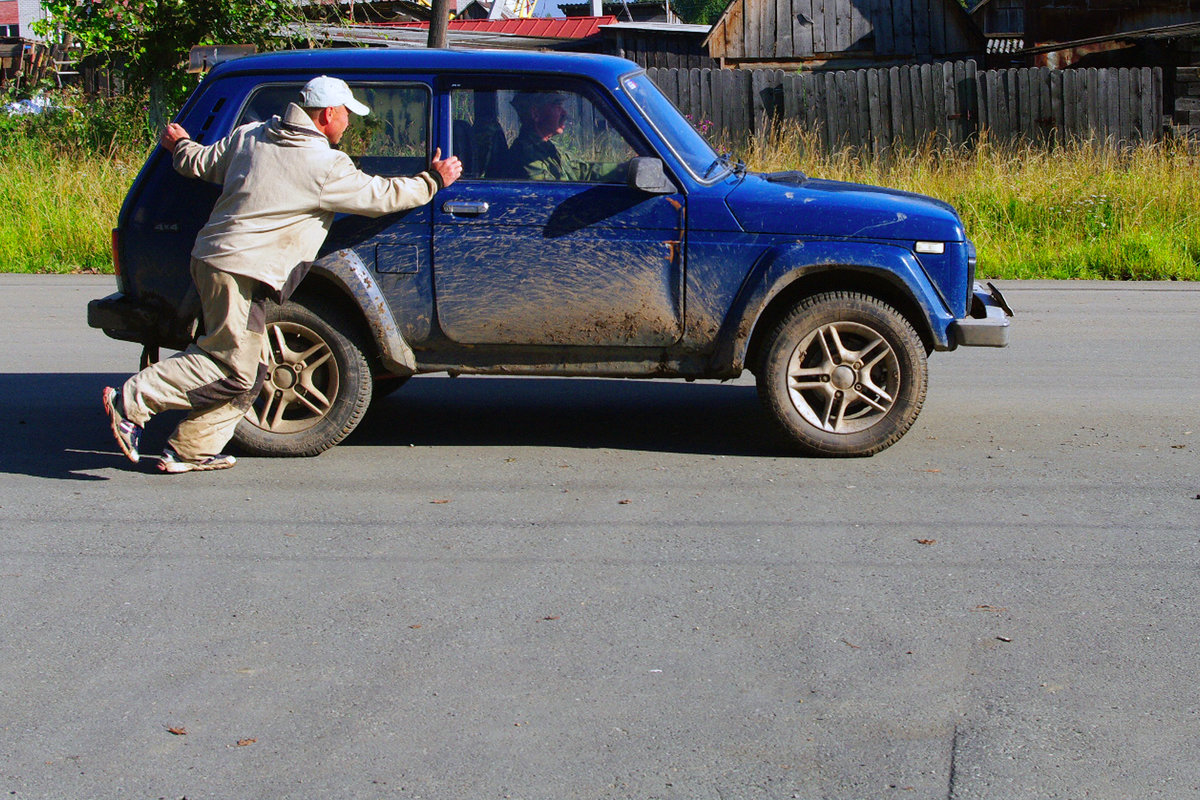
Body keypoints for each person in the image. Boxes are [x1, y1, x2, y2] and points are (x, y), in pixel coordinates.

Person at [102, 75, 462, 473]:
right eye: (346, 115)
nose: (348, 124)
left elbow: (201, 163)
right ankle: (131, 401)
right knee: (228, 364)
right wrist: (434, 180)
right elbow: (381, 196)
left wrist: (181, 144)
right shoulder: (324, 165)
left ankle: (190, 449)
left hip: (217, 260)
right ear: (327, 115)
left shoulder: (252, 136)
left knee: (251, 369)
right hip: (237, 270)